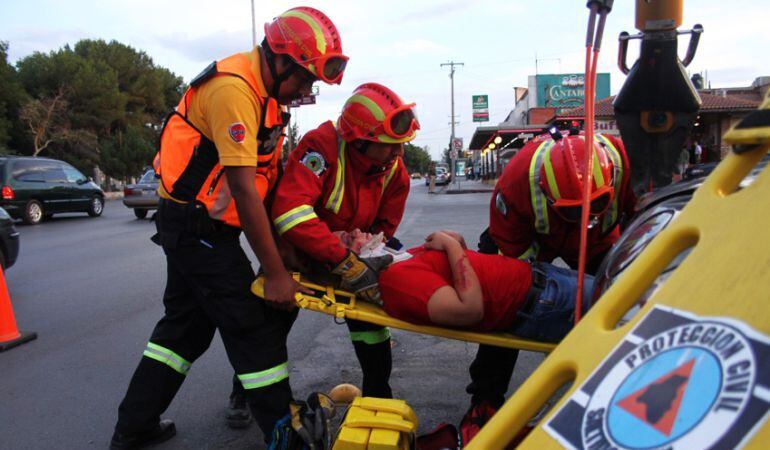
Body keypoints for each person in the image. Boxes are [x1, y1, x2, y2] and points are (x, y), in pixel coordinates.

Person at [110, 7, 348, 449]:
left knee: (183, 331)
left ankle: (134, 425)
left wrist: (283, 250)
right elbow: (242, 188)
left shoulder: (269, 98)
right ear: (278, 60)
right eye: (303, 78)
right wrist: (274, 273)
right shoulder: (234, 90)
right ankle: (285, 435)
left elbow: (266, 183)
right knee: (251, 328)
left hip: (203, 226)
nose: (306, 89)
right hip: (194, 226)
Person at [461, 131, 637, 444]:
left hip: (599, 241)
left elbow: (645, 219)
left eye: (596, 204)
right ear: (546, 192)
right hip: (529, 239)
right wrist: (536, 303)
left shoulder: (627, 161)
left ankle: (623, 392)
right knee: (503, 313)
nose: (583, 216)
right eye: (574, 211)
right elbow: (511, 268)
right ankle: (485, 402)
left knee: (624, 307)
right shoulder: (516, 184)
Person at [270, 82, 417, 399]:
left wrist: (362, 258)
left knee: (371, 326)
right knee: (271, 322)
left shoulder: (395, 172)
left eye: (401, 143)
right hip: (299, 254)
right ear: (359, 141)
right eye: (390, 144)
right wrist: (339, 255)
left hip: (349, 257)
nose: (399, 152)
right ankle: (251, 394)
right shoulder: (320, 147)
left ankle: (379, 393)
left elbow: (383, 232)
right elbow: (290, 213)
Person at [378, 230, 593, 339]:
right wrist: (452, 246)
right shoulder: (395, 280)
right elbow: (469, 310)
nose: (359, 231)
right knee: (625, 314)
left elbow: (466, 273)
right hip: (544, 300)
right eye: (352, 239)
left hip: (542, 279)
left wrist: (458, 243)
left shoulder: (400, 260)